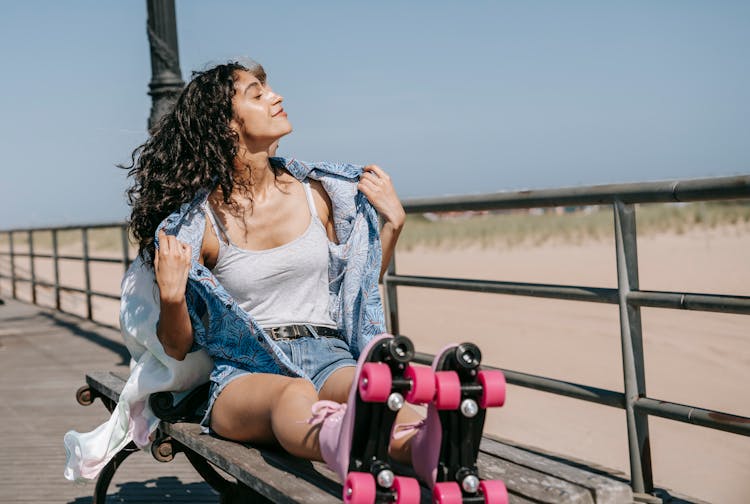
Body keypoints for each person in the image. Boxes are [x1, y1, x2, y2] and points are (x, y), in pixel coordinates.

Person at [124, 60, 424, 466]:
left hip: (329, 352)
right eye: (257, 94)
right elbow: (177, 348)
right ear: (227, 125)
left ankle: (430, 447)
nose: (276, 97)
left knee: (370, 389)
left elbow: (356, 292)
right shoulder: (198, 226)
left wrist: (392, 227)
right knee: (292, 396)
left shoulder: (319, 195)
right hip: (248, 372)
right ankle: (348, 445)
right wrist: (172, 295)